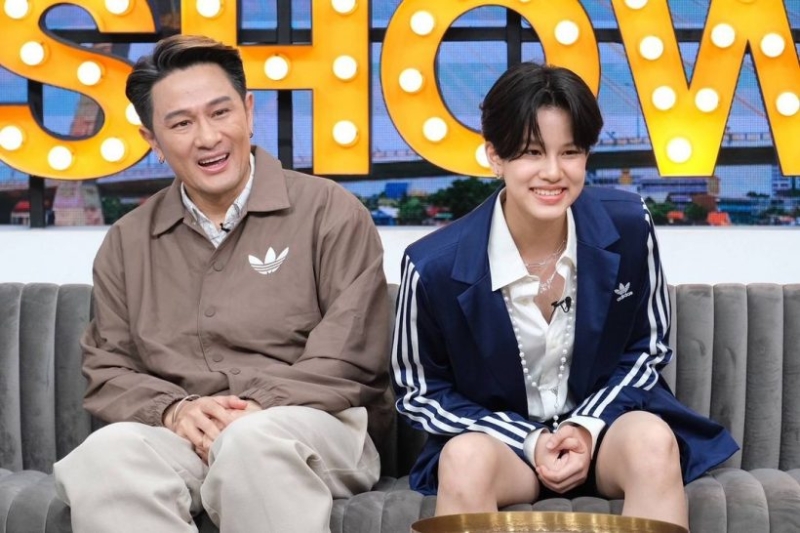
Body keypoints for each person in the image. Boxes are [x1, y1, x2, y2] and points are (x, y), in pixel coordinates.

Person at [53, 34, 392, 533]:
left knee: (251, 441)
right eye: (181, 123)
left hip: (314, 425)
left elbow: (350, 352)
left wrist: (256, 407)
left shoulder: (329, 211)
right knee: (102, 456)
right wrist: (174, 410)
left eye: (220, 112)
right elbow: (109, 368)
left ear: (248, 112)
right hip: (187, 434)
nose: (207, 137)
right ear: (152, 140)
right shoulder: (127, 242)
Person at [391, 62, 738, 529]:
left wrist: (584, 427)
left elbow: (648, 348)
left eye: (570, 152)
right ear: (495, 156)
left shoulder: (630, 225)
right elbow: (419, 392)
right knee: (464, 458)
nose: (553, 172)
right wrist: (529, 439)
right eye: (532, 152)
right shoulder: (431, 265)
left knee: (654, 441)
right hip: (505, 448)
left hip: (605, 433)